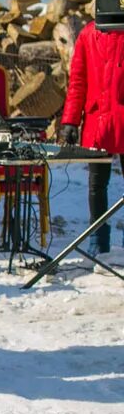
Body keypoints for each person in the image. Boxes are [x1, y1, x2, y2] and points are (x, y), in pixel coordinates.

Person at [59, 21, 124, 258]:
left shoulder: (90, 32)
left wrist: (71, 121)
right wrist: (70, 120)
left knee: (98, 185)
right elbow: (79, 80)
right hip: (99, 119)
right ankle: (97, 238)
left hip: (111, 118)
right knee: (97, 184)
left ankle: (100, 240)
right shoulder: (89, 33)